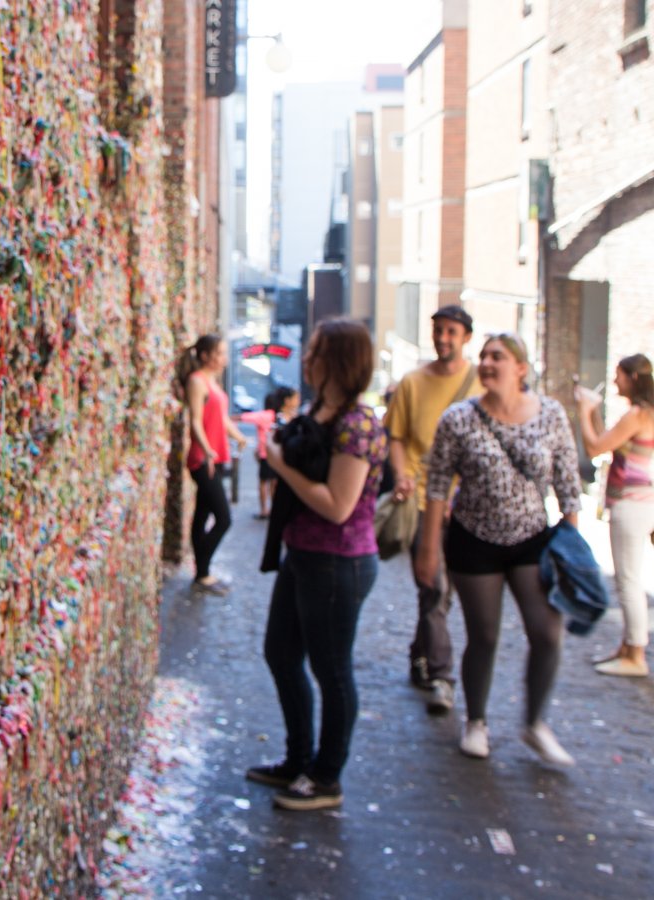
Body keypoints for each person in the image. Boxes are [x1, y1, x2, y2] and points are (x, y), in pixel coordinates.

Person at [417, 334, 580, 766]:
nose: (488, 364)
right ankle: (477, 721)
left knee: (547, 632)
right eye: (485, 357)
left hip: (532, 540)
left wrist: (571, 547)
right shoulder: (459, 419)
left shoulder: (551, 415)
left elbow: (568, 486)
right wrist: (428, 549)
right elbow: (437, 487)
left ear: (520, 368)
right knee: (484, 635)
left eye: (498, 357)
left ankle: (535, 722)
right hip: (474, 542)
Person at [246, 319, 386, 811]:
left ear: (339, 361)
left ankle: (326, 778)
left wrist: (280, 464)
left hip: (338, 563)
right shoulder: (320, 411)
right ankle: (298, 759)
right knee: (281, 654)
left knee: (332, 671)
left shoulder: (358, 424)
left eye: (316, 351)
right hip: (304, 555)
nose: (306, 358)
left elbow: (337, 505)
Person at [384, 305, 480, 715]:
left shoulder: (479, 385)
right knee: (434, 587)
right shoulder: (412, 382)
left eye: (452, 332)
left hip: (468, 507)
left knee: (443, 592)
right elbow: (397, 435)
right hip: (425, 502)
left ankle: (420, 652)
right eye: (438, 330)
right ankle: (442, 675)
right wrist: (402, 474)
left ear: (466, 337)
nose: (444, 338)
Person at [574, 353, 654, 677]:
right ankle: (627, 646)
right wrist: (593, 412)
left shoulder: (637, 415)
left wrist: (583, 410)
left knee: (628, 581)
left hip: (631, 505)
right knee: (629, 579)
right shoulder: (643, 415)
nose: (616, 380)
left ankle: (635, 654)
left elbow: (595, 447)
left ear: (633, 378)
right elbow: (608, 441)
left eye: (619, 375)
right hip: (640, 503)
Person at [182, 335, 247, 594]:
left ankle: (202, 574)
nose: (224, 359)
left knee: (203, 515)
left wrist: (238, 437)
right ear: (206, 355)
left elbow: (220, 419)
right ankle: (203, 570)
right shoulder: (197, 381)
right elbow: (195, 420)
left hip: (216, 457)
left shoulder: (212, 382)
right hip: (203, 459)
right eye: (220, 353)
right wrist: (207, 449)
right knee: (223, 518)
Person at [248, 387, 301, 519]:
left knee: (271, 484)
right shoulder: (279, 418)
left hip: (280, 459)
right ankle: (269, 510)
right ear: (287, 401)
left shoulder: (292, 417)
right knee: (271, 483)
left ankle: (273, 510)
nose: (298, 400)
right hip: (276, 458)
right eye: (296, 397)